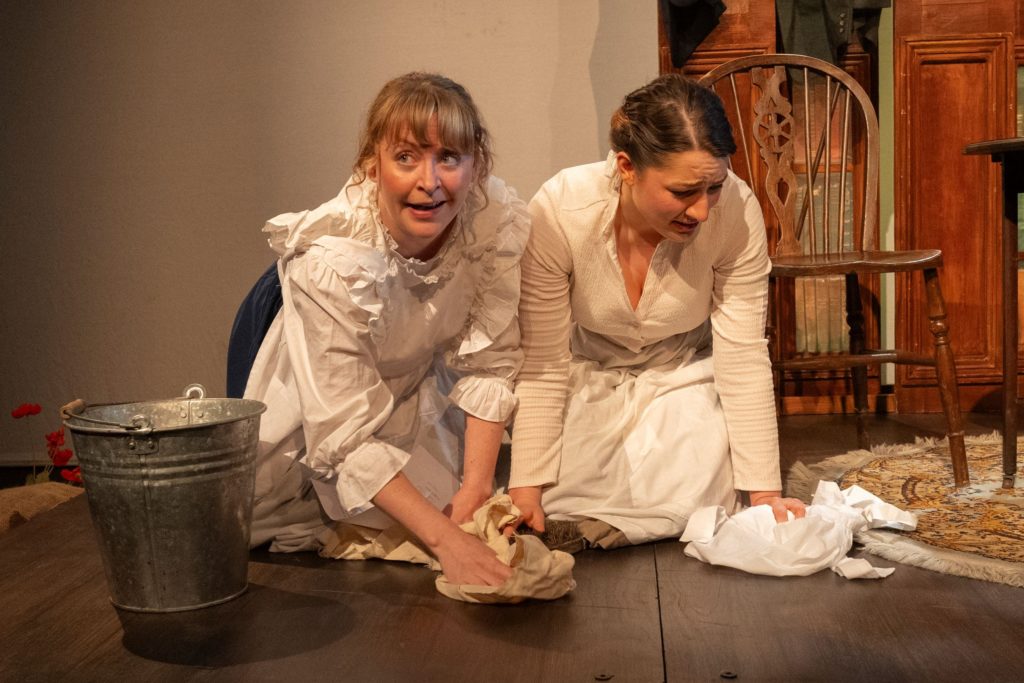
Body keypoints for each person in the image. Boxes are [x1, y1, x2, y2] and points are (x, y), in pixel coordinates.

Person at [243, 72, 530, 586]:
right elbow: (341, 436)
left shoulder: (492, 222)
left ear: (477, 163)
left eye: (449, 158)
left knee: (486, 519)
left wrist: (475, 489)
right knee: (424, 539)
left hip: (418, 398)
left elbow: (490, 363)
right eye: (406, 157)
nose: (429, 181)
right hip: (321, 420)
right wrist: (448, 542)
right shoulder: (333, 262)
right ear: (371, 163)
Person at [507, 73, 805, 547]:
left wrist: (764, 494)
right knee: (564, 494)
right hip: (589, 370)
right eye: (683, 191)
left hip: (681, 370)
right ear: (627, 167)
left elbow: (743, 352)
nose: (702, 210)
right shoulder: (560, 210)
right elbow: (543, 359)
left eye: (714, 187)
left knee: (700, 495)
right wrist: (525, 491)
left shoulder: (736, 212)